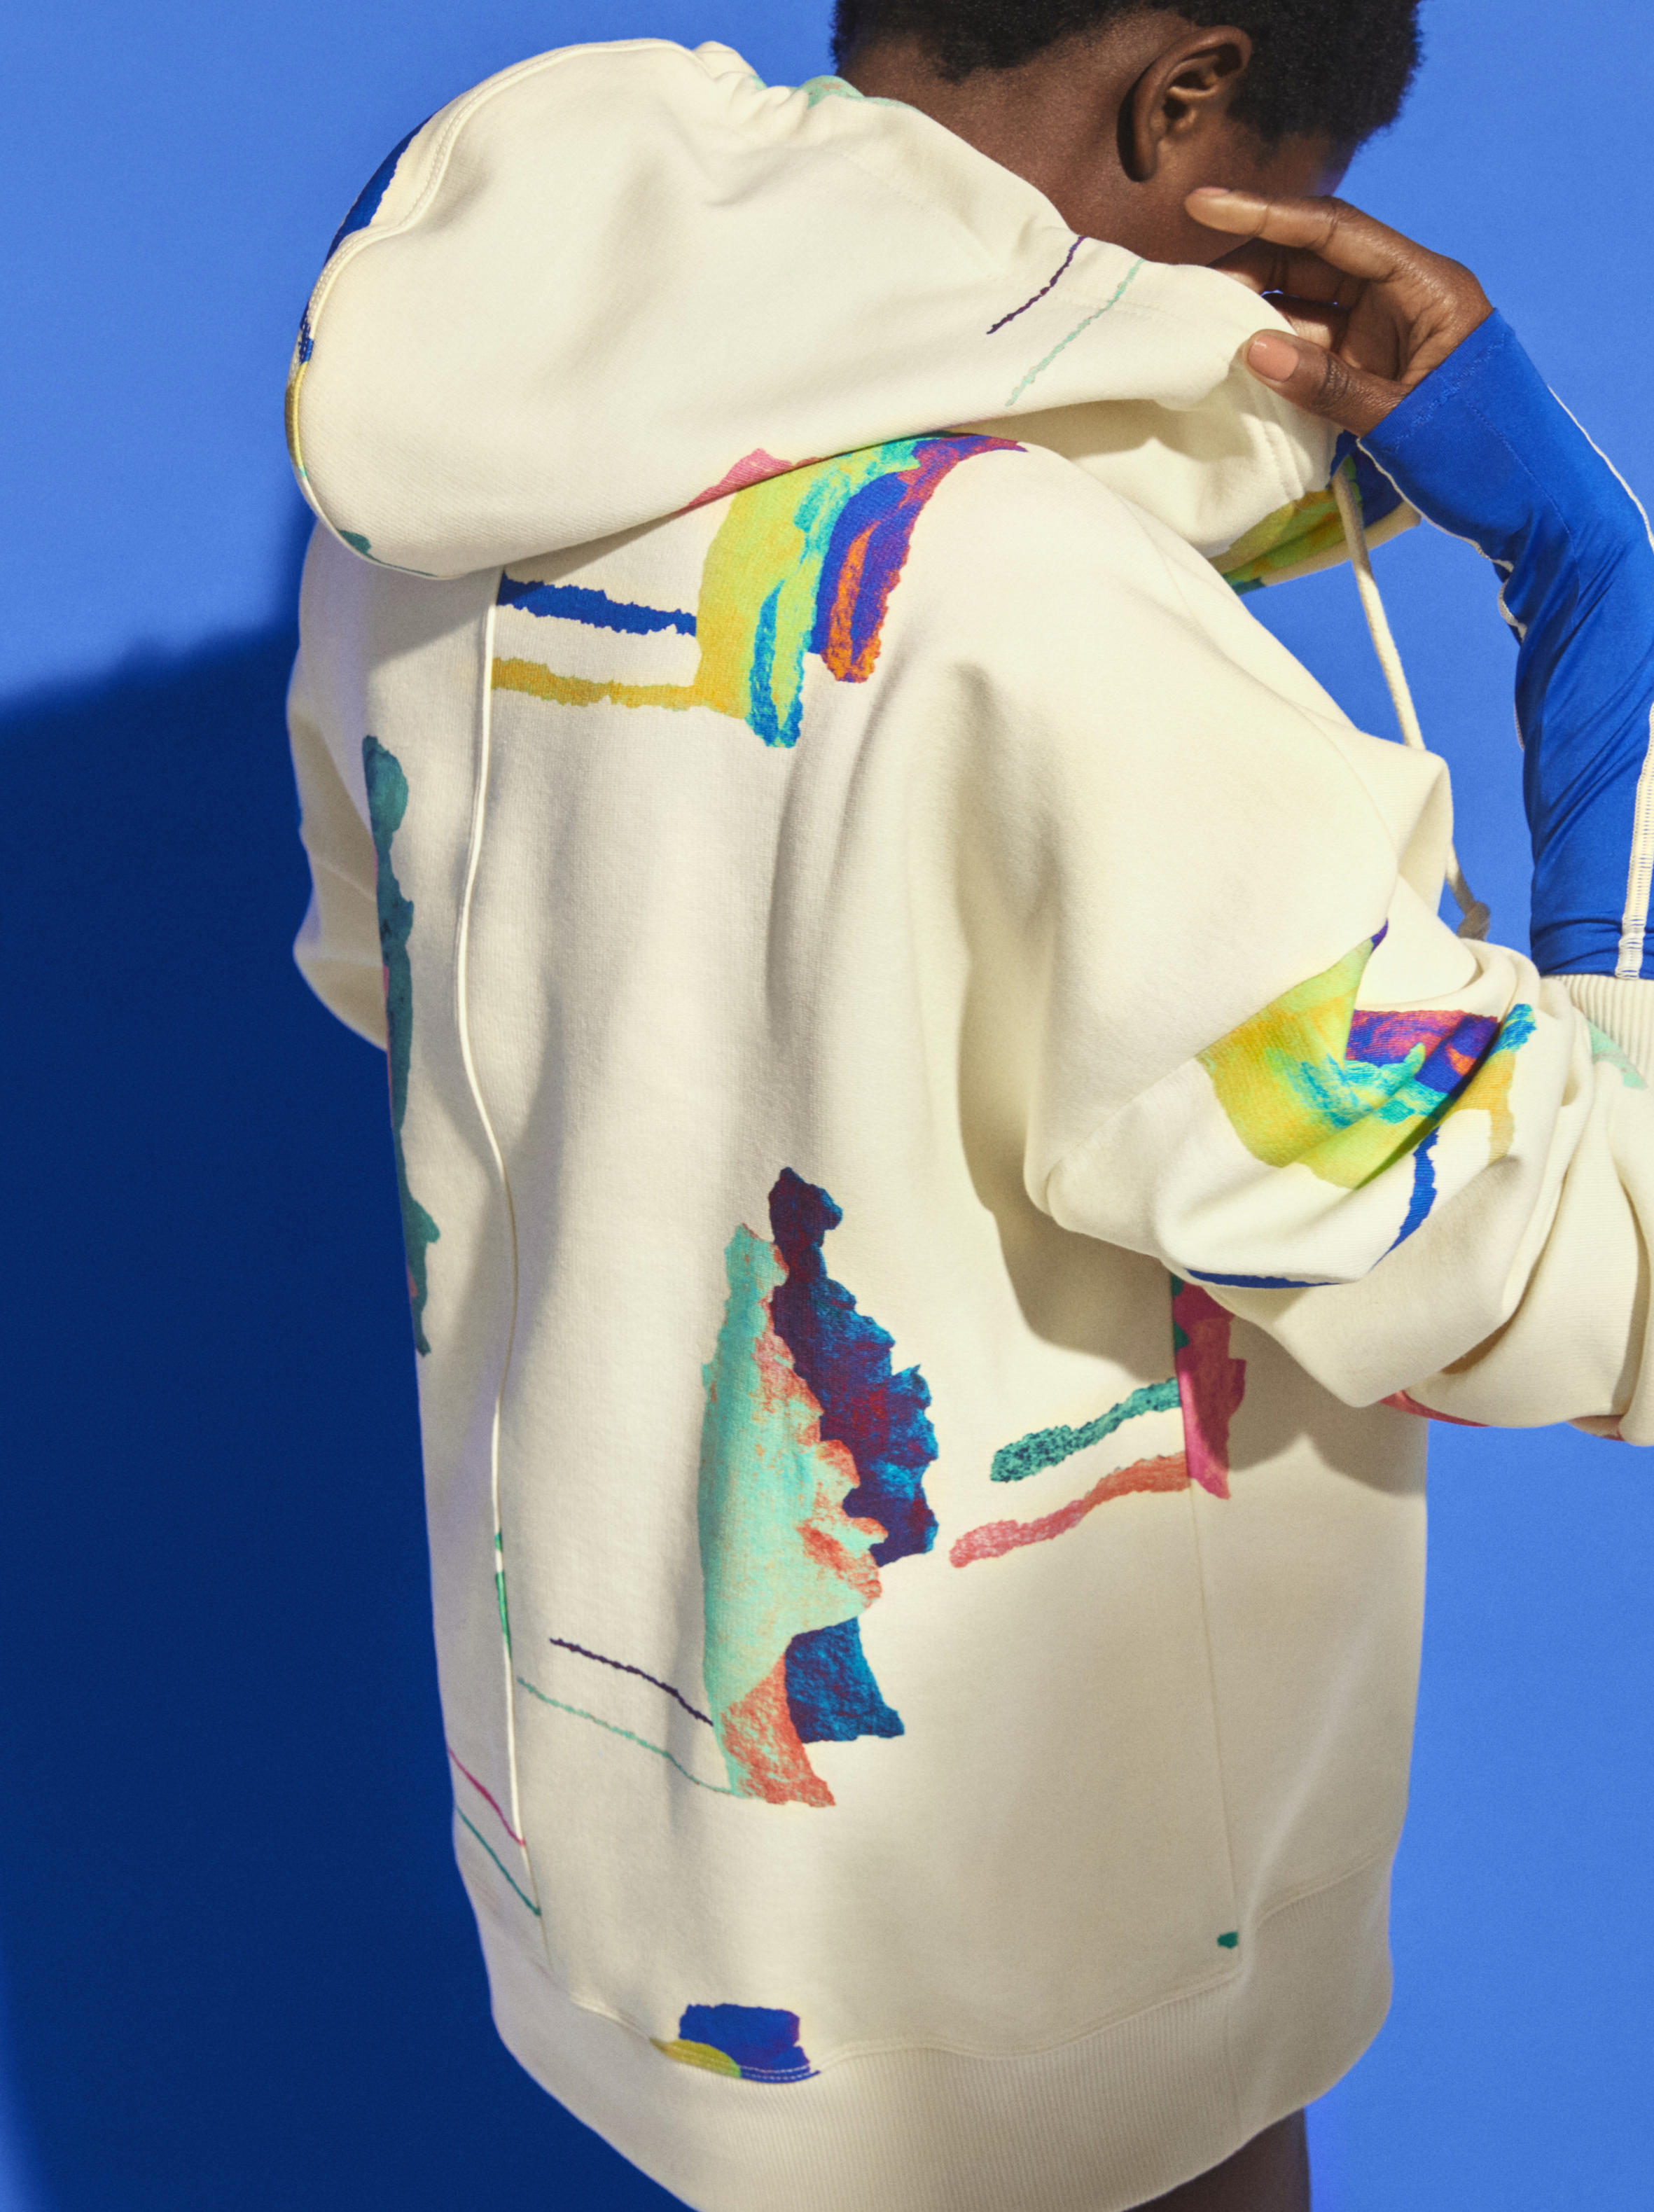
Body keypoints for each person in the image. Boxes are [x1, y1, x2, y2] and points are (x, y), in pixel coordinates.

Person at [281, 4, 1654, 2206]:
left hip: (629, 1891)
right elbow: (1570, 1254)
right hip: (1057, 1979)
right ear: (1182, 99)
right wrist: (1599, 597)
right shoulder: (1043, 615)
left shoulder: (444, 494)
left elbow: (397, 971)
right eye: (1283, 202)